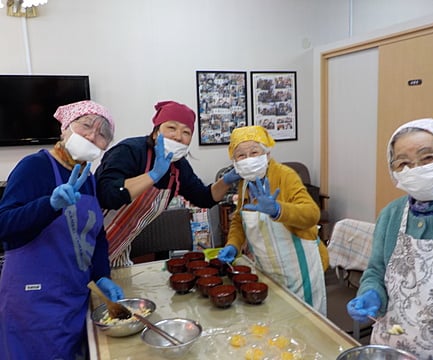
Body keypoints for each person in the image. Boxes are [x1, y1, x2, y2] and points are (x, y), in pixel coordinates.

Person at [0, 100, 125, 359]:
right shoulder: (35, 167)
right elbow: (5, 225)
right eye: (86, 126)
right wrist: (49, 204)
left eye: (102, 134)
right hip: (34, 304)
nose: (92, 136)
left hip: (74, 297)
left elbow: (97, 235)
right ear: (65, 129)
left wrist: (102, 275)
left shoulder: (87, 178)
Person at [347, 118, 433, 359]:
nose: (416, 168)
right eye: (403, 163)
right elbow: (377, 271)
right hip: (390, 348)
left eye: (427, 158)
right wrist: (372, 293)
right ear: (395, 172)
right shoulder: (391, 214)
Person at [95, 100, 239, 266]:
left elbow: (204, 198)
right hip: (85, 238)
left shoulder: (178, 168)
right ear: (156, 131)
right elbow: (107, 194)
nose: (178, 136)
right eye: (171, 128)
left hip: (119, 249)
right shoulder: (129, 151)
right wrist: (153, 175)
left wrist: (228, 179)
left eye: (186, 132)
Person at [217, 125, 328, 315]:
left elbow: (312, 214)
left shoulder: (285, 175)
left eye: (254, 152)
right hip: (268, 270)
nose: (249, 159)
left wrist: (278, 210)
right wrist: (233, 245)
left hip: (300, 270)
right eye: (241, 155)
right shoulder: (244, 183)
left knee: (304, 328)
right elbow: (239, 221)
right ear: (234, 162)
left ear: (266, 154)